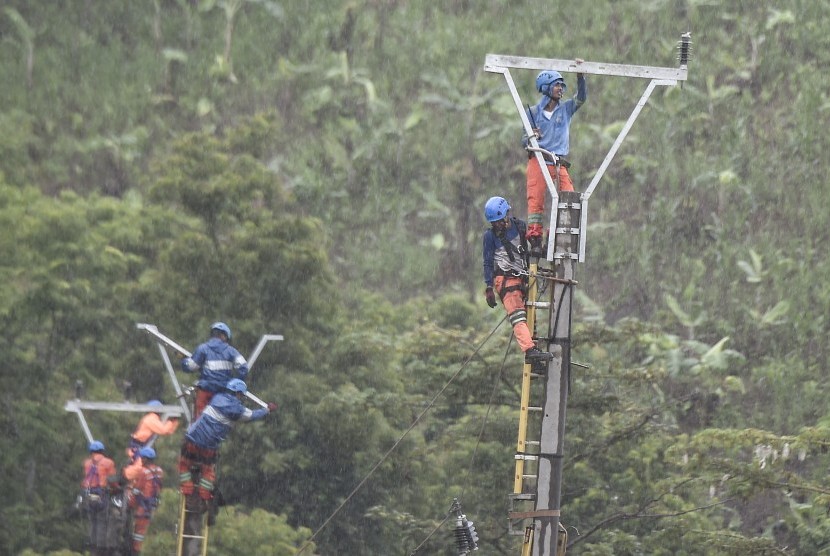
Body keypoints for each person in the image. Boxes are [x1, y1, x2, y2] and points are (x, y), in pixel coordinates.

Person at [178, 379, 276, 502]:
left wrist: (200, 385)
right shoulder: (239, 411)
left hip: (192, 440)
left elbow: (209, 386)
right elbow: (253, 415)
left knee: (184, 463)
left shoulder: (216, 398)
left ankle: (187, 489)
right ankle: (203, 497)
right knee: (208, 470)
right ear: (239, 393)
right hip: (209, 448)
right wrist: (267, 410)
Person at [482, 196, 553, 363]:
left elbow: (528, 251)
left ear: (507, 214)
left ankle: (534, 356)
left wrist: (541, 247)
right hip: (505, 280)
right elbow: (487, 261)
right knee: (517, 316)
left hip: (523, 277)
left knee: (530, 316)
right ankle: (529, 350)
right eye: (495, 223)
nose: (498, 225)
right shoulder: (490, 236)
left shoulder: (519, 226)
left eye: (500, 220)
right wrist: (489, 286)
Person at [524, 67, 587, 255]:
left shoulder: (566, 109)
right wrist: (530, 136)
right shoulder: (534, 112)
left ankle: (555, 237)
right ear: (546, 88)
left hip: (558, 162)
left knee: (568, 198)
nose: (561, 88)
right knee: (536, 200)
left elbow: (581, 98)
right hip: (539, 160)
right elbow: (523, 140)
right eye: (557, 85)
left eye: (561, 85)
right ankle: (535, 240)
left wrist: (581, 77)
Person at [181, 321, 249, 418]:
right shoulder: (231, 351)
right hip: (222, 393)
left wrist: (184, 361)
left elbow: (191, 367)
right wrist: (236, 385)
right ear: (225, 336)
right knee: (219, 420)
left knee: (200, 421)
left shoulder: (203, 348)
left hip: (205, 391)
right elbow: (243, 367)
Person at [80, 441, 119, 556]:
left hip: (88, 496)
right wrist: (116, 488)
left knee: (92, 521)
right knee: (101, 522)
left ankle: (92, 547)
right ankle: (100, 548)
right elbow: (112, 480)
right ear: (102, 451)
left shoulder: (87, 463)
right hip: (101, 496)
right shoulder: (108, 463)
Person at [122, 447, 164, 555]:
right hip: (154, 505)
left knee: (139, 531)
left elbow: (136, 490)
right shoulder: (159, 471)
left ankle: (136, 550)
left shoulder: (143, 472)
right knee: (150, 529)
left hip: (143, 507)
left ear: (145, 459)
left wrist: (130, 504)